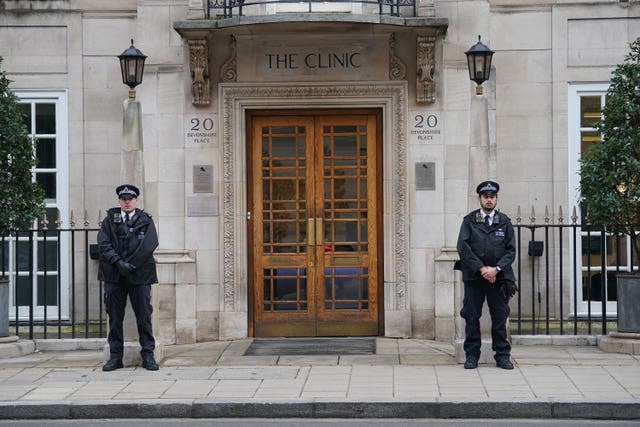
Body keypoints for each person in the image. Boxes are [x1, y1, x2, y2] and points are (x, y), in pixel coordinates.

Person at [456, 180, 518, 370]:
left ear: (496, 199)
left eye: (492, 197)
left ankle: (502, 356)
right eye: (486, 197)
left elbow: (511, 251)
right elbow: (463, 248)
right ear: (480, 199)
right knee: (472, 317)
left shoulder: (505, 222)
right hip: (475, 278)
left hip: (498, 278)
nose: (489, 200)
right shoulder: (469, 221)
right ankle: (472, 355)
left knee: (500, 317)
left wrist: (496, 269)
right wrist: (482, 269)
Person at [98, 184, 159, 371]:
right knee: (115, 319)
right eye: (124, 199)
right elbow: (103, 244)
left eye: (130, 199)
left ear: (136, 200)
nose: (127, 202)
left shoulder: (146, 220)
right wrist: (118, 263)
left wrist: (130, 264)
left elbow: (150, 245)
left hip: (139, 275)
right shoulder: (109, 220)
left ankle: (148, 355)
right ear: (119, 201)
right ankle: (116, 357)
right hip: (114, 276)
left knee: (144, 317)